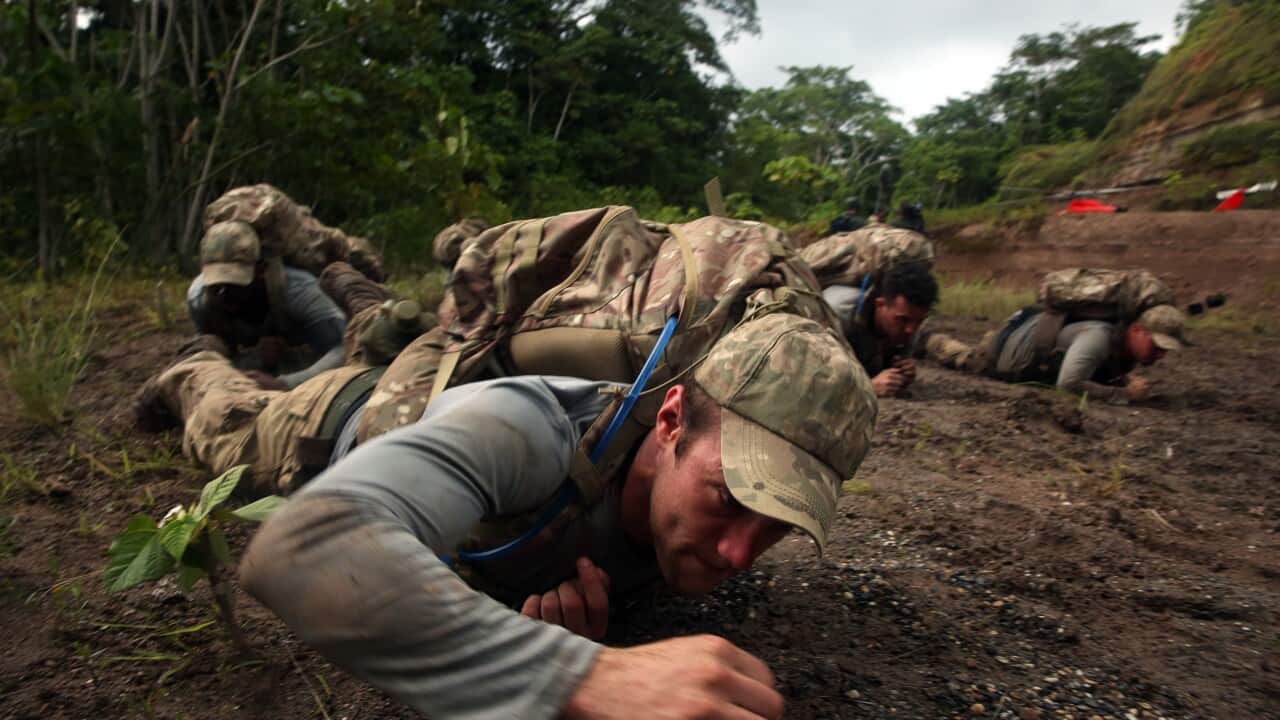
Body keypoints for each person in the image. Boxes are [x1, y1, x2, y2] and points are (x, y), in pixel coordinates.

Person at [222, 312, 877, 719]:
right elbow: (303, 550)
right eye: (730, 498)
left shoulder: (692, 505)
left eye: (779, 524)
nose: (739, 554)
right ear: (671, 420)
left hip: (416, 430)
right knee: (216, 410)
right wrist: (580, 673)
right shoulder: (533, 431)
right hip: (326, 423)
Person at [187, 220, 358, 390]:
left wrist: (285, 383)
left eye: (234, 283)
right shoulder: (200, 299)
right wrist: (254, 359)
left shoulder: (298, 291)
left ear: (260, 270)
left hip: (309, 372)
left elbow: (346, 348)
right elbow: (213, 359)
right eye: (216, 284)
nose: (223, 293)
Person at [922, 303, 1188, 402]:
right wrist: (1126, 395)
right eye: (1157, 346)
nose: (1160, 355)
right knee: (965, 359)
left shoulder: (1121, 347)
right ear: (1138, 330)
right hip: (1004, 353)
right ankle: (926, 340)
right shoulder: (1099, 337)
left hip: (1023, 339)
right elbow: (1068, 384)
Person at [822, 262, 939, 398]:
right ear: (880, 304)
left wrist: (900, 373)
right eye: (903, 320)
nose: (910, 330)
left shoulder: (907, 321)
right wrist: (867, 388)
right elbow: (813, 378)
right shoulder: (834, 315)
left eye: (919, 321)